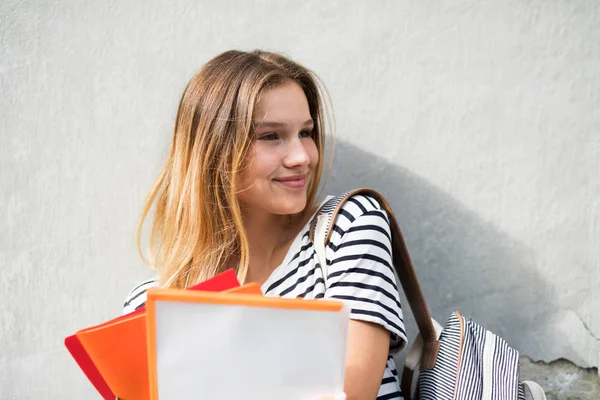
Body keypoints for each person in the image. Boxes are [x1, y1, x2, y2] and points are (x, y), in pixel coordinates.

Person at [123, 50, 407, 400]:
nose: (302, 156)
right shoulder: (152, 305)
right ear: (215, 151)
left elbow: (352, 393)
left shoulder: (348, 227)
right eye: (271, 136)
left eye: (306, 132)